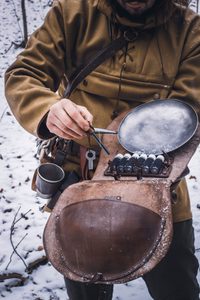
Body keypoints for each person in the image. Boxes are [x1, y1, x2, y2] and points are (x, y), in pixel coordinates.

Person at [4, 0, 200, 299]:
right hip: (81, 180)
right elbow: (24, 74)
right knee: (84, 281)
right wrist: (49, 109)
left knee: (177, 286)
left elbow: (189, 111)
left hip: (160, 181)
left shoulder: (190, 31)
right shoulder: (71, 13)